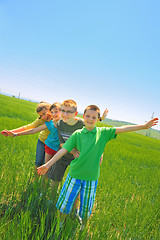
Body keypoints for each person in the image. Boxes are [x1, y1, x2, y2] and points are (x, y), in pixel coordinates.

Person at [37, 105, 159, 230]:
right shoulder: (77, 134)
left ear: (98, 119)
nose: (90, 119)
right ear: (83, 117)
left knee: (86, 207)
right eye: (88, 116)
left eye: (94, 117)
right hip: (74, 175)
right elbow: (63, 150)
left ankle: (83, 226)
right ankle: (60, 225)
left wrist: (143, 126)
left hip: (91, 178)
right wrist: (47, 165)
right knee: (65, 204)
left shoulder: (103, 133)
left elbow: (122, 128)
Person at [1, 101, 52, 172]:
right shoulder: (41, 120)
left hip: (51, 144)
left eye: (44, 113)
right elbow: (29, 127)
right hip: (42, 141)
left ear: (50, 110)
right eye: (40, 115)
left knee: (46, 164)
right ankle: (35, 179)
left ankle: (44, 182)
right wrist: (12, 131)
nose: (42, 117)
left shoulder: (56, 119)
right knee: (38, 162)